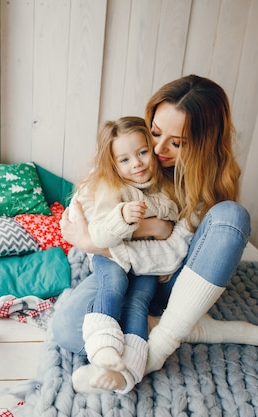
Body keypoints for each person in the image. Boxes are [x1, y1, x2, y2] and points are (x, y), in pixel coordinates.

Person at [53, 74, 258, 394]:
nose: (155, 149)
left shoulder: (204, 186)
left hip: (174, 279)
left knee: (232, 217)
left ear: (202, 143)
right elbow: (84, 216)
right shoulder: (132, 151)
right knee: (69, 329)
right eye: (155, 132)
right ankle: (189, 326)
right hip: (127, 270)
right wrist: (137, 231)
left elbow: (171, 256)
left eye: (176, 142)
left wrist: (108, 244)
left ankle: (162, 342)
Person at [71, 116, 193, 394]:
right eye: (124, 160)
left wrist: (154, 214)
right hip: (112, 254)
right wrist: (124, 218)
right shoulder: (110, 187)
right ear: (113, 164)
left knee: (139, 301)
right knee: (113, 286)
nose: (136, 163)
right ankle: (103, 347)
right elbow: (99, 234)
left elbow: (173, 218)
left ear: (152, 148)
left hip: (147, 261)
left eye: (142, 152)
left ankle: (127, 373)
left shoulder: (166, 185)